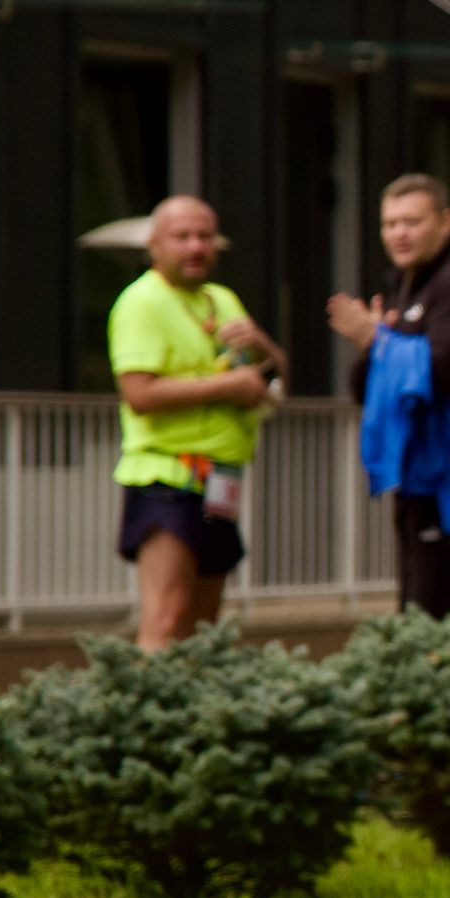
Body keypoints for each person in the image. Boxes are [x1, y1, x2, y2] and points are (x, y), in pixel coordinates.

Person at [108, 195, 284, 650]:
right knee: (168, 620)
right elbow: (139, 394)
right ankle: (149, 719)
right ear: (154, 245)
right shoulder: (141, 302)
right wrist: (228, 388)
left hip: (222, 477)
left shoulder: (222, 299)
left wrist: (262, 345)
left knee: (205, 628)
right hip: (168, 476)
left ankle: (193, 718)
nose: (195, 246)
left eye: (205, 236)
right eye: (181, 236)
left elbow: (277, 376)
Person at [330, 174, 450, 619]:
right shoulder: (404, 289)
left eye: (411, 221)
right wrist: (375, 345)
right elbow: (365, 390)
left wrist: (379, 340)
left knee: (437, 609)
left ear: (446, 223)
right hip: (414, 478)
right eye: (389, 224)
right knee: (414, 607)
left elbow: (439, 372)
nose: (399, 234)